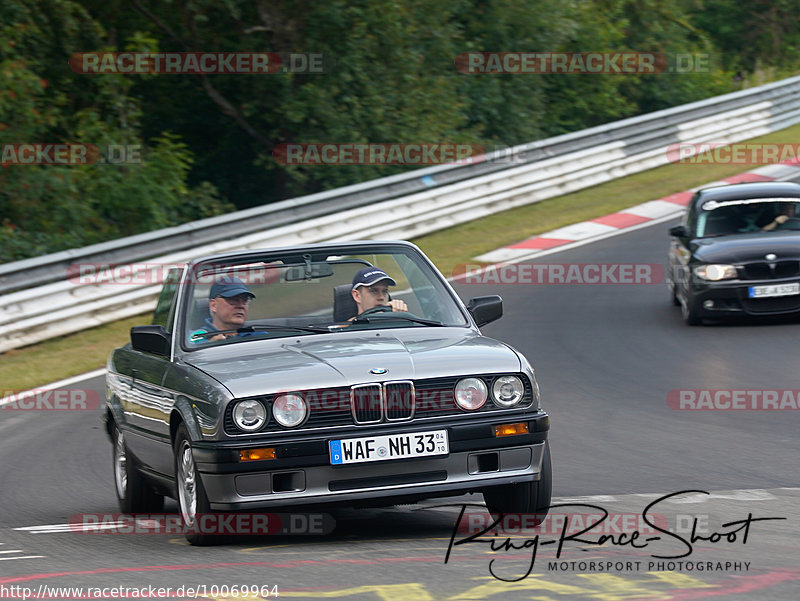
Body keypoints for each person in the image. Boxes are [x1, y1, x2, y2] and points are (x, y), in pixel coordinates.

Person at [190, 276, 256, 342]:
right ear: (214, 305)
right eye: (233, 299)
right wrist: (209, 345)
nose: (241, 306)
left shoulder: (258, 336)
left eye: (245, 300)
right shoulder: (196, 339)